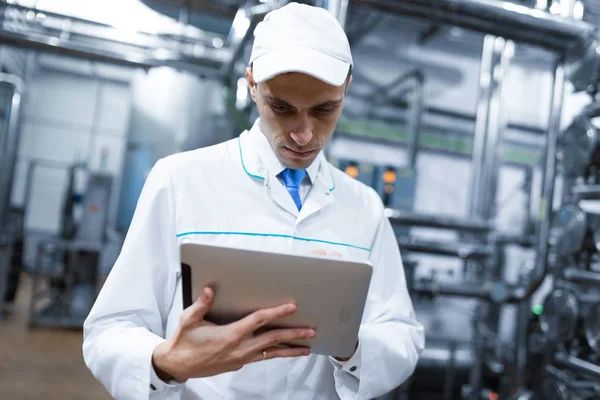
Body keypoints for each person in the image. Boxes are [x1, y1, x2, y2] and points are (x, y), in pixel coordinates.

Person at [82, 2, 424, 399]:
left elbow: (402, 334)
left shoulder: (364, 208)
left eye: (325, 110)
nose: (303, 134)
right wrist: (164, 362)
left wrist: (351, 345)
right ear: (251, 85)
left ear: (346, 88)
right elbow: (110, 328)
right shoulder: (180, 180)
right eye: (281, 108)